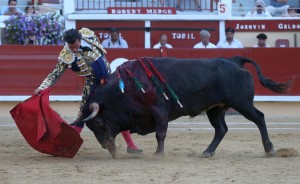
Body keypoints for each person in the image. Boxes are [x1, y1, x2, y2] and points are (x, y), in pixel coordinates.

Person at [34, 28, 143, 154]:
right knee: (83, 114)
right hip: (93, 84)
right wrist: (42, 88)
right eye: (71, 47)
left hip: (109, 79)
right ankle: (66, 146)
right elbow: (55, 74)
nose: (74, 50)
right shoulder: (66, 55)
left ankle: (131, 146)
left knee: (119, 110)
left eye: (76, 46)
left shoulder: (88, 35)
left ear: (80, 39)